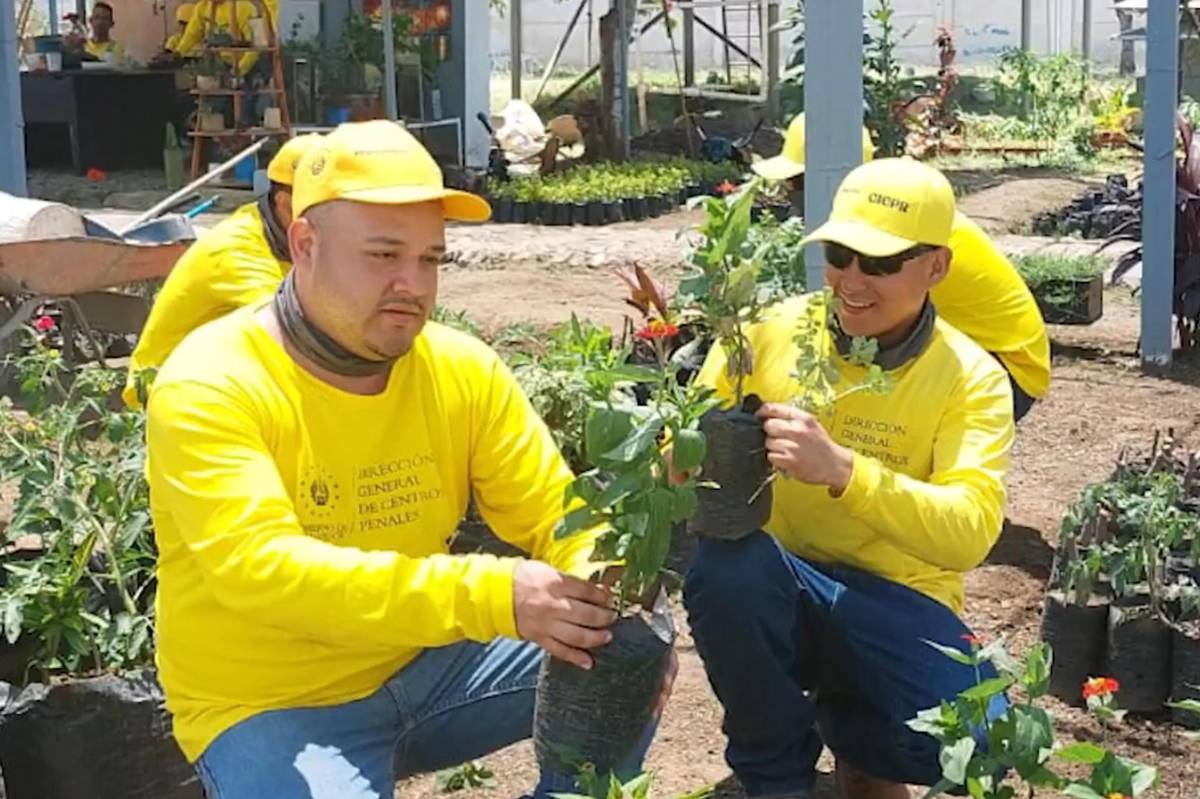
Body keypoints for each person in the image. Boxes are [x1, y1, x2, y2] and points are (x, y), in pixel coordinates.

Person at [145, 120, 668, 798]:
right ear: (304, 243)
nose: (412, 284)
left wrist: (610, 593)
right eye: (384, 254)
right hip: (272, 702)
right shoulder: (214, 380)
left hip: (430, 669)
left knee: (626, 658)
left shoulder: (459, 369)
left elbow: (559, 514)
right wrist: (494, 594)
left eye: (429, 259)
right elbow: (264, 573)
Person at [684, 158, 1012, 799]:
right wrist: (688, 449)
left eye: (881, 263)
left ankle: (861, 742)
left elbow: (970, 531)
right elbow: (682, 439)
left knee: (983, 738)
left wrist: (845, 473)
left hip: (898, 604)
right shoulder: (771, 333)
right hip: (780, 585)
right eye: (840, 255)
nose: (852, 280)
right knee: (726, 570)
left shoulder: (970, 378)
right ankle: (776, 779)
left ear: (937, 266)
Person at [753, 119, 1050, 421]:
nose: (792, 195)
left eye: (798, 183)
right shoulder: (894, 216)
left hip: (1006, 366)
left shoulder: (913, 236)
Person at [123, 133, 322, 408]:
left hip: (217, 375)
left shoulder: (281, 233)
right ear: (285, 203)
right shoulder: (239, 250)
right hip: (167, 392)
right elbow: (301, 333)